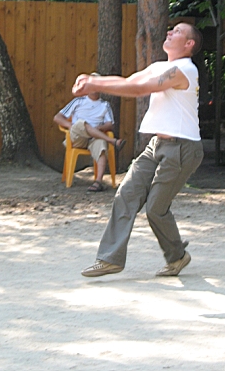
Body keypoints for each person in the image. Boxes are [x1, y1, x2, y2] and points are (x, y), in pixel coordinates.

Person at [72, 22, 204, 277]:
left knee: (155, 209)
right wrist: (91, 80)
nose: (170, 32)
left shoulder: (185, 70)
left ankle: (177, 256)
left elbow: (140, 90)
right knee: (126, 194)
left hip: (183, 148)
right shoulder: (160, 67)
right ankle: (110, 259)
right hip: (157, 145)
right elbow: (129, 81)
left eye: (177, 31)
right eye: (171, 29)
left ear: (189, 44)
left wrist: (95, 86)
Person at [53, 75, 126, 193]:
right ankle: (112, 141)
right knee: (82, 123)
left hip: (94, 138)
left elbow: (110, 124)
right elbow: (57, 117)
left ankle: (98, 182)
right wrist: (70, 126)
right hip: (78, 137)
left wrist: (99, 128)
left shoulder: (104, 105)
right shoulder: (78, 101)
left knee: (101, 145)